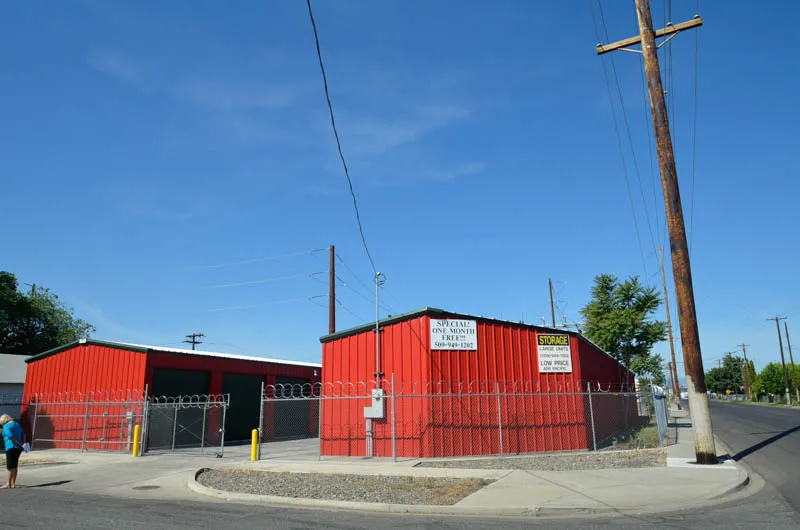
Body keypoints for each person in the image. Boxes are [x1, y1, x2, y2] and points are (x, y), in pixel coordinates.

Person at [0, 414, 25, 489]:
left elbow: (10, 436)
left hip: (11, 447)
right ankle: (13, 483)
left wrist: (17, 442)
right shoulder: (17, 424)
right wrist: (22, 443)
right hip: (19, 448)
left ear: (4, 421)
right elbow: (23, 434)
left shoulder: (6, 426)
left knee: (10, 466)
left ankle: (8, 483)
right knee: (14, 465)